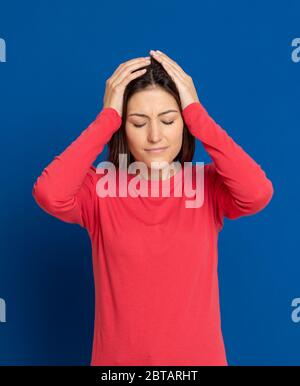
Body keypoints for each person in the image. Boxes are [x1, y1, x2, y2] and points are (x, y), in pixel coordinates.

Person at [32, 50, 274, 366]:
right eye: (138, 122)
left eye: (169, 120)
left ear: (184, 123)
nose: (155, 136)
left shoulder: (206, 185)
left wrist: (197, 112)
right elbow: (50, 193)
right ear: (122, 127)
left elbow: (257, 193)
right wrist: (106, 118)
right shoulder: (101, 188)